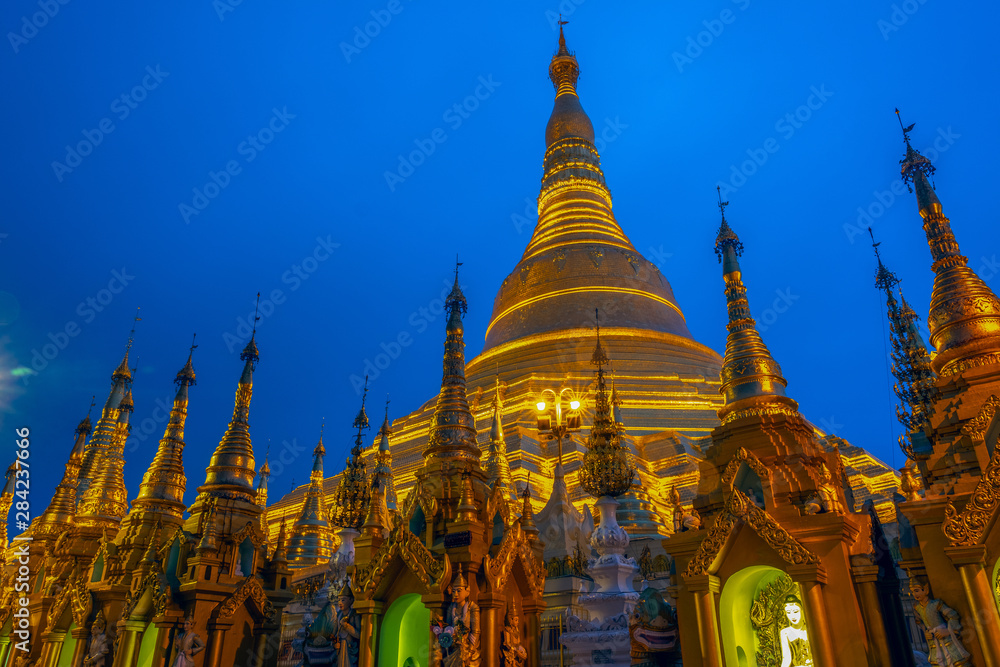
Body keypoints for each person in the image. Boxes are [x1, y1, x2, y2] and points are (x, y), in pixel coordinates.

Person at [909, 579, 972, 667]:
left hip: (946, 638)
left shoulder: (935, 604)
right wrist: (926, 632)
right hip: (934, 640)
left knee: (957, 662)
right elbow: (920, 622)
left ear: (925, 590)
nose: (915, 594)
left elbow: (953, 616)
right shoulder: (917, 607)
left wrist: (947, 630)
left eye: (917, 591)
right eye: (912, 592)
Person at [443, 571, 480, 667]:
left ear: (467, 592)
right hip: (454, 646)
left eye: (459, 591)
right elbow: (448, 627)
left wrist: (470, 652)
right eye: (454, 591)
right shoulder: (452, 607)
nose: (455, 594)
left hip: (468, 648)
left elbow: (476, 631)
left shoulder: (472, 607)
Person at [778, 596, 812, 667]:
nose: (792, 616)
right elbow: (786, 658)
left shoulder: (811, 628)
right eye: (788, 612)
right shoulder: (785, 632)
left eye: (795, 611)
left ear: (802, 610)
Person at [334, 581, 361, 667]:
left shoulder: (354, 615)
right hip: (340, 648)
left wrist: (346, 626)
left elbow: (359, 635)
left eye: (343, 600)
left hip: (350, 648)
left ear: (351, 600)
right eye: (338, 600)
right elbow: (335, 633)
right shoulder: (339, 615)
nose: (340, 603)